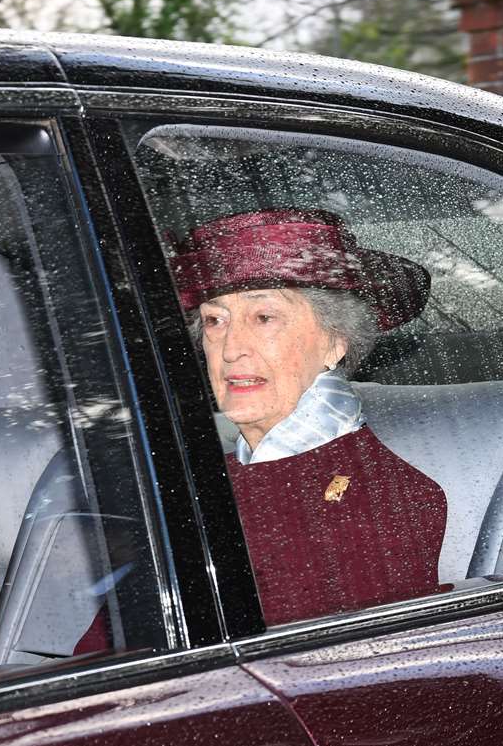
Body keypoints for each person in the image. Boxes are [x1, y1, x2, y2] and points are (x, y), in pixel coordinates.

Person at [173, 208, 447, 626]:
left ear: (335, 343)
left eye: (264, 317)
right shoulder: (198, 480)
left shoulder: (388, 500)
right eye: (214, 321)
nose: (230, 349)